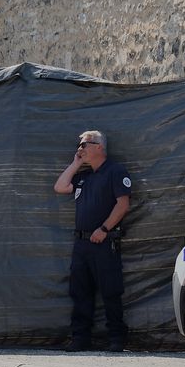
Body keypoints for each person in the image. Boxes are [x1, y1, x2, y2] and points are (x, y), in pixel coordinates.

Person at [53, 130, 131, 352]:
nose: (80, 148)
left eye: (85, 144)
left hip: (104, 242)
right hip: (82, 244)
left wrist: (105, 228)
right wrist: (75, 164)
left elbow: (123, 204)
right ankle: (80, 338)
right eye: (79, 145)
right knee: (80, 292)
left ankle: (116, 338)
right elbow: (60, 187)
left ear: (99, 147)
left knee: (110, 291)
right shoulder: (83, 177)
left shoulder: (115, 171)